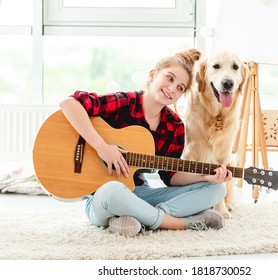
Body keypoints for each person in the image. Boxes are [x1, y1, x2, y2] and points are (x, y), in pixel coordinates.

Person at [59, 48, 233, 237]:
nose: (172, 88)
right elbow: (69, 104)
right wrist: (102, 148)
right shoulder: (125, 102)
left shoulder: (174, 126)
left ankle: (133, 218)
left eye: (180, 88)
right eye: (170, 78)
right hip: (101, 196)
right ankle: (177, 223)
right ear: (153, 75)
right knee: (113, 190)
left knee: (216, 190)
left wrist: (205, 176)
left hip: (141, 193)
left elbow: (171, 176)